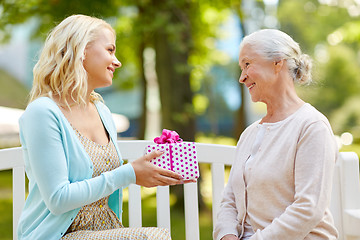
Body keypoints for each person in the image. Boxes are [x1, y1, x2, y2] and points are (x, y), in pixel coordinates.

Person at [17, 14, 190, 240]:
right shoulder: (43, 112)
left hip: (105, 231)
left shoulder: (102, 111)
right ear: (81, 51)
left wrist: (145, 175)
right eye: (110, 50)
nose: (117, 61)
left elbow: (107, 184)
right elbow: (58, 199)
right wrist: (128, 173)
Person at [213, 29, 338, 240]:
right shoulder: (249, 134)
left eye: (247, 64)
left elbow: (308, 209)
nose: (242, 77)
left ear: (277, 63)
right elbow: (230, 201)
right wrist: (227, 235)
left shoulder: (312, 126)